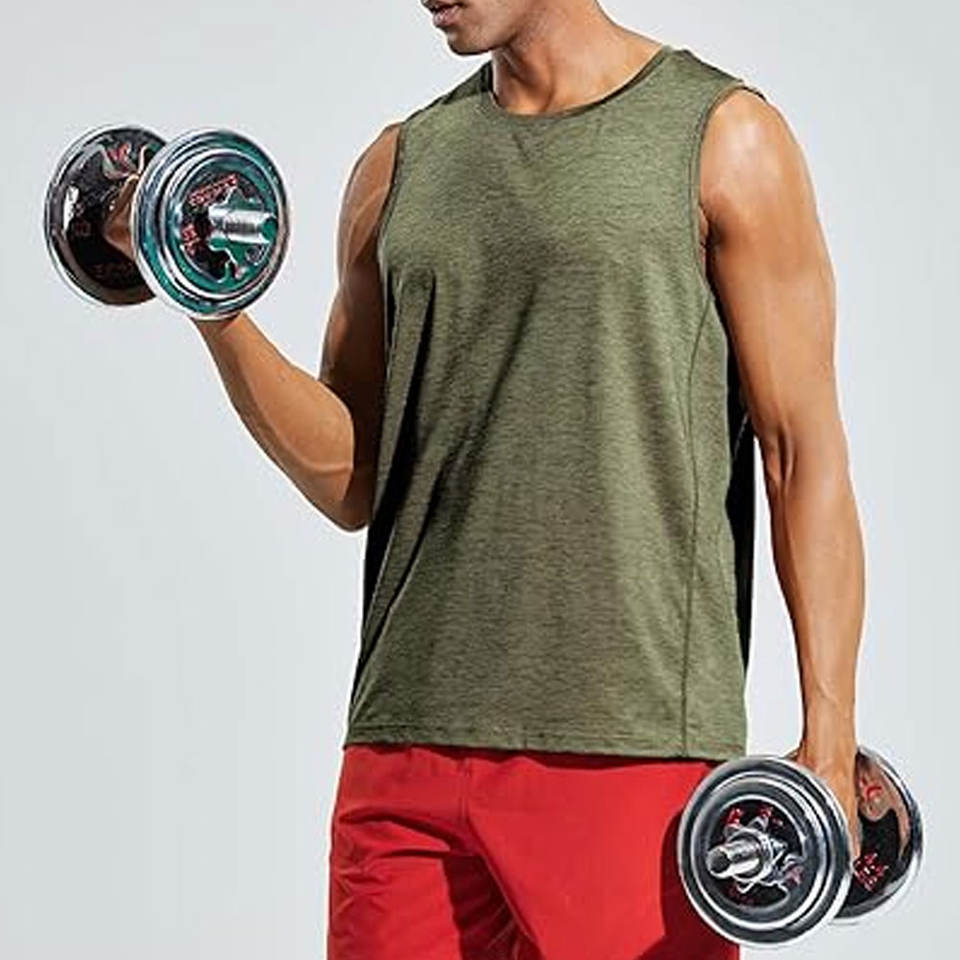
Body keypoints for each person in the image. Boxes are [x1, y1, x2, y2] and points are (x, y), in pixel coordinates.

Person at [105, 2, 865, 956]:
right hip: (405, 738)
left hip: (630, 746)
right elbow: (353, 479)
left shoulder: (724, 139)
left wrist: (830, 734)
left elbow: (802, 451)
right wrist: (209, 299)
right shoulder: (398, 167)